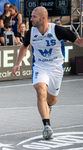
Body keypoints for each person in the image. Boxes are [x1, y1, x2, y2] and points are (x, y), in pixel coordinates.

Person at [11, 6, 83, 140]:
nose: (30, 19)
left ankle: (48, 106)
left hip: (56, 68)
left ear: (43, 18)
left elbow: (79, 42)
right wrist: (17, 64)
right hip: (40, 66)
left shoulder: (58, 30)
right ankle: (47, 126)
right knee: (40, 90)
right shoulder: (30, 32)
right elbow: (24, 47)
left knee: (52, 99)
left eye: (33, 17)